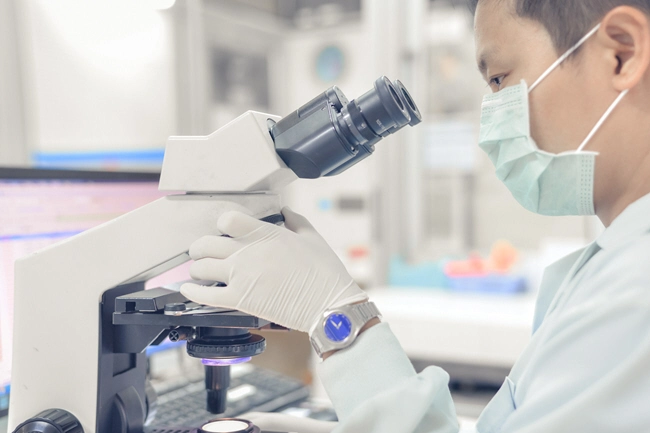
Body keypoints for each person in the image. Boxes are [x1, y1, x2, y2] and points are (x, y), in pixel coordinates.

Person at [180, 0, 650, 431]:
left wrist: (337, 318)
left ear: (621, 54)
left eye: (500, 78)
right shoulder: (616, 262)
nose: (493, 115)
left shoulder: (635, 289)